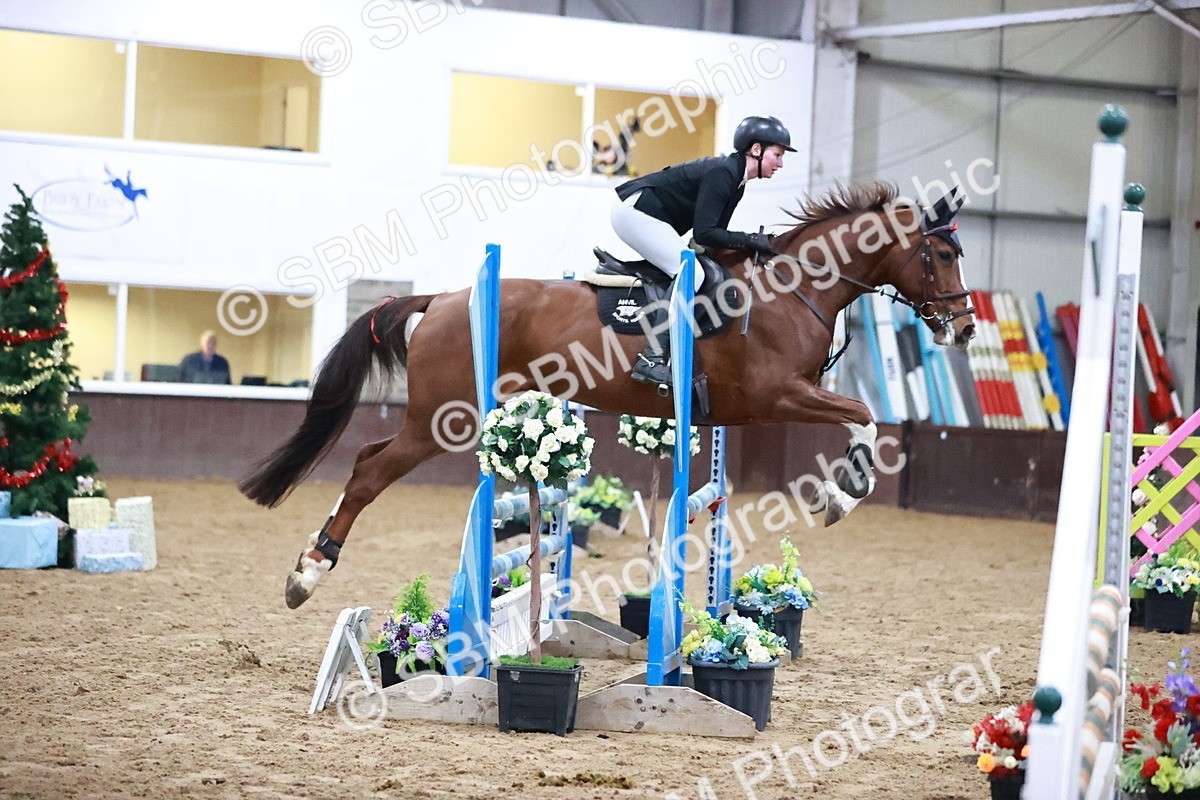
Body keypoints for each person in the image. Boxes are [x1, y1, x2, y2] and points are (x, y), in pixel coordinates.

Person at [610, 114, 794, 387]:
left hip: (648, 215)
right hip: (636, 213)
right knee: (691, 273)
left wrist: (752, 245)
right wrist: (751, 239)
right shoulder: (724, 172)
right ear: (756, 150)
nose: (780, 163)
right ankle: (651, 360)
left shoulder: (737, 181)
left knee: (700, 267)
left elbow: (711, 239)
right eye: (777, 155)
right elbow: (705, 233)